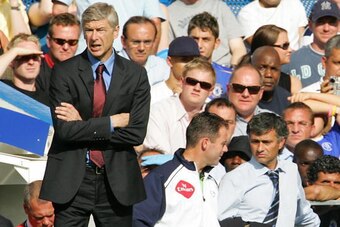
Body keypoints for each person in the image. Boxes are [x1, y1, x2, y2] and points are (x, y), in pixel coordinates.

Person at [40, 3, 150, 226]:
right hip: (71, 180)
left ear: (116, 31)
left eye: (101, 30)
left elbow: (135, 134)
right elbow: (65, 131)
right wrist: (111, 122)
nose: (94, 37)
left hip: (117, 182)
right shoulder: (64, 71)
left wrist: (83, 125)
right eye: (89, 30)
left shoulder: (136, 75)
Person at [218, 112, 320, 226]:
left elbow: (304, 216)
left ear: (281, 142)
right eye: (255, 141)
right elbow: (222, 220)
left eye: (266, 142)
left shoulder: (290, 170)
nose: (260, 148)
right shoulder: (234, 178)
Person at [133, 112, 229, 227]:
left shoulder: (211, 180)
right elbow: (139, 220)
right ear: (205, 143)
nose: (226, 149)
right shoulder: (162, 177)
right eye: (223, 144)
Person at [143, 57, 215, 154]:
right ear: (182, 82)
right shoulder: (158, 112)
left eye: (204, 85)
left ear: (211, 91)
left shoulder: (214, 118)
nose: (197, 88)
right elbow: (159, 158)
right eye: (192, 81)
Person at [52, 0, 164, 54]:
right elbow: (155, 23)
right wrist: (148, 58)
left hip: (87, 52)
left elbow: (59, 11)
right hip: (131, 54)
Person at [168, 0, 246, 67]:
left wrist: (232, 71)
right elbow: (167, 52)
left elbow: (238, 48)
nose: (199, 45)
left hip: (224, 66)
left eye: (205, 39)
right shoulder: (169, 12)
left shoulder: (219, 5)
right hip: (190, 68)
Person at [282, 0, 339, 88]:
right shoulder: (292, 60)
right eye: (321, 22)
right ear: (310, 24)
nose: (326, 28)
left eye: (332, 22)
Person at [187, 12, 232, 99]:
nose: (199, 45)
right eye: (195, 39)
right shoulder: (177, 72)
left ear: (216, 43)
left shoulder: (229, 77)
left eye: (205, 39)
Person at [36, 12, 81, 96]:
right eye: (60, 41)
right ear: (48, 41)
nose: (66, 47)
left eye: (72, 42)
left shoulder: (86, 74)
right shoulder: (34, 69)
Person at [250, 24, 302, 94]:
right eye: (285, 46)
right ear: (267, 47)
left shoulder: (292, 82)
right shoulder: (242, 78)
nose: (290, 50)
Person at [0, 33, 48, 105]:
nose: (31, 62)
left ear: (40, 61)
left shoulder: (47, 101)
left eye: (35, 57)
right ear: (11, 62)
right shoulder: (3, 89)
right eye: (24, 57)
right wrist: (15, 51)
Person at [238, 0, 307, 50]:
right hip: (267, 60)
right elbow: (260, 45)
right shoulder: (247, 13)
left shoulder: (295, 3)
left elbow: (302, 35)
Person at [120, 16, 169, 86]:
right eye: (136, 42)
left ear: (154, 41)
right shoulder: (110, 67)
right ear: (123, 41)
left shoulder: (161, 66)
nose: (141, 48)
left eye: (147, 42)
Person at [150, 36, 200, 105]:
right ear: (169, 61)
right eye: (184, 60)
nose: (190, 64)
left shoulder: (201, 95)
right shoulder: (152, 95)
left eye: (194, 60)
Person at [227, 64, 269, 137]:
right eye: (239, 88)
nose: (245, 94)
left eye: (253, 89)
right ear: (228, 89)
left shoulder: (273, 121)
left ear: (261, 93)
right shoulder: (213, 119)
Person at [251, 46, 290, 115]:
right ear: (251, 68)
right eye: (262, 68)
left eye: (274, 69)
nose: (268, 74)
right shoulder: (241, 97)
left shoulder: (286, 100)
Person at [307, 155, 340, 226]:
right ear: (310, 183)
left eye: (337, 183)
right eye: (326, 182)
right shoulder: (301, 207)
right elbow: (316, 192)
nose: (332, 187)